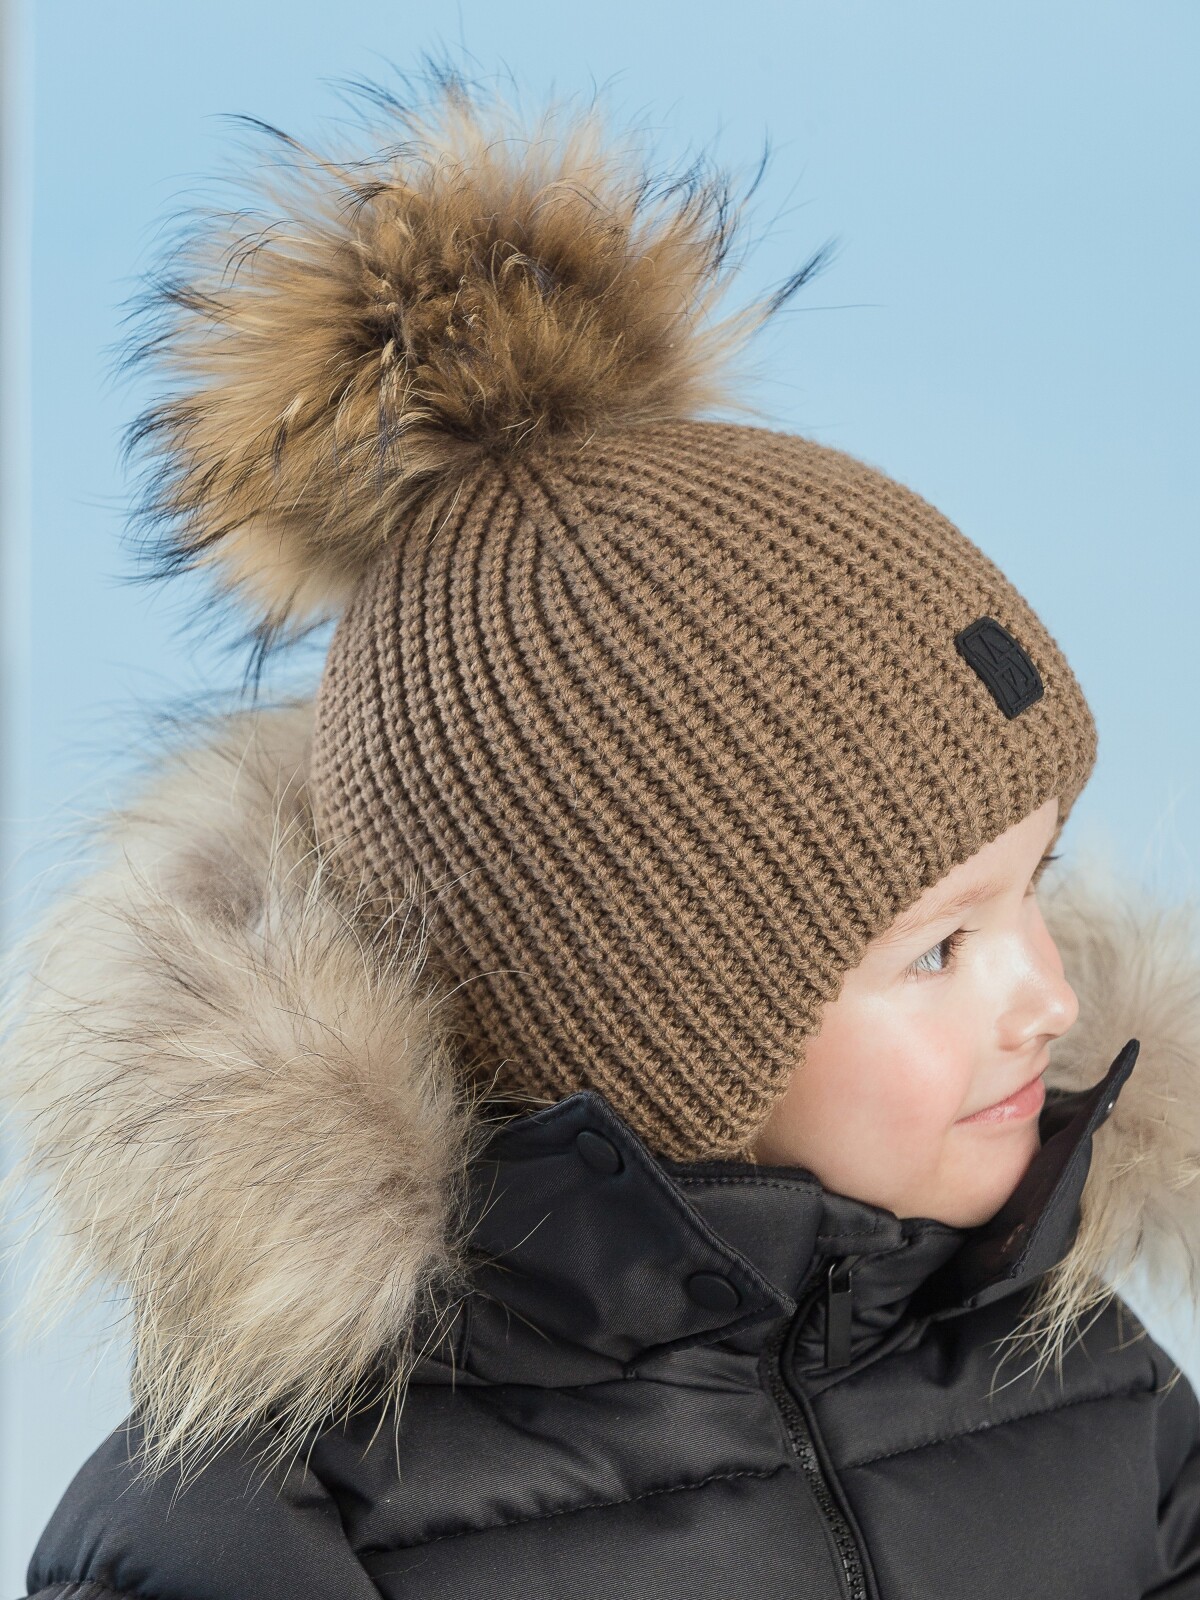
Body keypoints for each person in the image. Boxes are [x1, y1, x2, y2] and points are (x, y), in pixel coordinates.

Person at [4, 70, 1200, 1600]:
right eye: (939, 948)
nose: (1049, 992)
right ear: (643, 1013)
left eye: (1035, 884)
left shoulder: (1090, 1394)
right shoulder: (272, 1538)